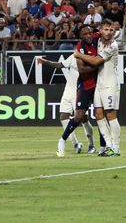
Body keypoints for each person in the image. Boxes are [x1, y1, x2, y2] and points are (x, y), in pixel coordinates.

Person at [36, 27, 100, 156]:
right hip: (68, 91)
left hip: (80, 90)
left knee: (83, 118)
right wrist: (46, 62)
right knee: (63, 117)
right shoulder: (73, 56)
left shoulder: (90, 56)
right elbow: (60, 65)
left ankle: (91, 144)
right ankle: (76, 144)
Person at [74, 19, 121, 157]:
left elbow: (96, 61)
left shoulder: (112, 45)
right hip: (98, 84)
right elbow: (86, 35)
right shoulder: (97, 39)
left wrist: (78, 54)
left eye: (111, 30)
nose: (109, 32)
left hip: (110, 83)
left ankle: (116, 147)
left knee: (111, 114)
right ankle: (108, 146)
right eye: (106, 30)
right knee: (98, 114)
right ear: (100, 30)